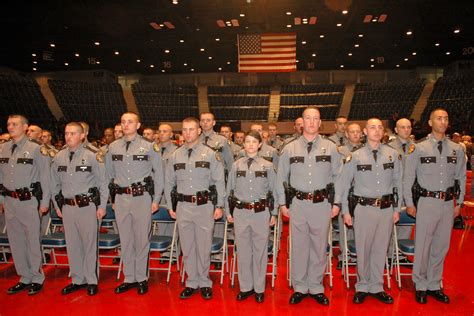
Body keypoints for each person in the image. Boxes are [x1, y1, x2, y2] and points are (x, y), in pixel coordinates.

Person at [276, 107, 341, 306]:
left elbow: (339, 176)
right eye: (308, 118)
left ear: (320, 123)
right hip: (298, 204)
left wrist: (337, 202)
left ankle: (316, 286)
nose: (312, 122)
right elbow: (281, 178)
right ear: (301, 122)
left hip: (322, 204)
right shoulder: (289, 148)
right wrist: (281, 203)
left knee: (319, 246)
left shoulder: (331, 148)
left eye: (316, 119)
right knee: (299, 247)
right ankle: (300, 287)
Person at [334, 118, 401, 305]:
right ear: (365, 131)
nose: (377, 131)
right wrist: (346, 212)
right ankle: (363, 286)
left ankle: (377, 285)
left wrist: (397, 208)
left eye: (380, 127)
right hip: (363, 209)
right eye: (373, 127)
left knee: (381, 248)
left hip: (386, 209)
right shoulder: (355, 156)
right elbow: (344, 185)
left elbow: (398, 184)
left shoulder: (392, 155)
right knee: (363, 249)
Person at [403, 108, 466, 304]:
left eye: (446, 118)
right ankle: (420, 284)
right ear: (430, 122)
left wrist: (460, 202)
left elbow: (461, 177)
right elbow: (408, 178)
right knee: (423, 245)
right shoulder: (418, 148)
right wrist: (409, 203)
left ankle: (434, 283)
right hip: (427, 202)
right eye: (439, 118)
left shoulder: (457, 149)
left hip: (447, 204)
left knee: (441, 246)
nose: (443, 121)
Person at [165, 117, 225, 300]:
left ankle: (205, 281)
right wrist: (170, 205)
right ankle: (192, 281)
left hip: (204, 206)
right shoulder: (175, 155)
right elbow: (169, 182)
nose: (188, 133)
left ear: (199, 130)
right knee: (188, 246)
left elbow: (219, 181)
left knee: (204, 245)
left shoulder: (210, 154)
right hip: (183, 206)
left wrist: (220, 205)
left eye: (191, 129)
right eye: (184, 130)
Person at [105, 112, 164, 295]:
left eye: (130, 122)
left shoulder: (149, 147)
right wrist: (112, 199)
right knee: (126, 239)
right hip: (121, 199)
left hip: (141, 198)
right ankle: (129, 277)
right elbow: (109, 175)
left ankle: (141, 278)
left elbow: (159, 175)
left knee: (141, 239)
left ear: (138, 125)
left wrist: (155, 200)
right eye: (123, 122)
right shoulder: (113, 147)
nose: (126, 125)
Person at [50, 122, 109, 296]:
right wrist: (57, 206)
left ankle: (91, 280)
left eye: (73, 133)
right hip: (67, 207)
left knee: (89, 245)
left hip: (87, 206)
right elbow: (54, 184)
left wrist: (102, 206)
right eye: (67, 133)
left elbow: (102, 183)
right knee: (73, 245)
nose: (69, 137)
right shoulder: (58, 157)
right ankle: (77, 279)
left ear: (82, 136)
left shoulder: (92, 155)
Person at [0, 114, 51, 295]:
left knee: (31, 241)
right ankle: (24, 276)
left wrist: (45, 202)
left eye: (14, 124)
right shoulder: (3, 148)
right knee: (16, 242)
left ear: (25, 127)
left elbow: (46, 177)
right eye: (8, 124)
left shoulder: (37, 149)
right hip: (9, 201)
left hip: (29, 200)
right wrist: (1, 200)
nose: (10, 127)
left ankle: (37, 277)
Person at [226, 130, 277, 303]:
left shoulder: (267, 166)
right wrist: (228, 211)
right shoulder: (236, 165)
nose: (250, 145)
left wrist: (274, 212)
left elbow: (275, 190)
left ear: (260, 144)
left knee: (260, 251)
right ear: (243, 144)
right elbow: (229, 190)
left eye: (254, 142)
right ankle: (246, 287)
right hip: (240, 212)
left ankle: (259, 288)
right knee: (243, 251)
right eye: (247, 141)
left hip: (261, 213)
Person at [335, 122, 363, 270]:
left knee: (360, 228)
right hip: (346, 193)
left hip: (361, 194)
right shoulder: (340, 151)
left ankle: (359, 255)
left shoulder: (366, 150)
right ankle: (343, 256)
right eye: (352, 132)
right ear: (346, 134)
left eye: (358, 132)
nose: (356, 134)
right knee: (344, 226)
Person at [387, 118, 414, 264]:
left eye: (409, 127)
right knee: (391, 223)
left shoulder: (417, 148)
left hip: (409, 192)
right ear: (396, 130)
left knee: (407, 224)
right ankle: (390, 254)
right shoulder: (388, 148)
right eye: (402, 127)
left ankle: (401, 255)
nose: (406, 130)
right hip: (394, 191)